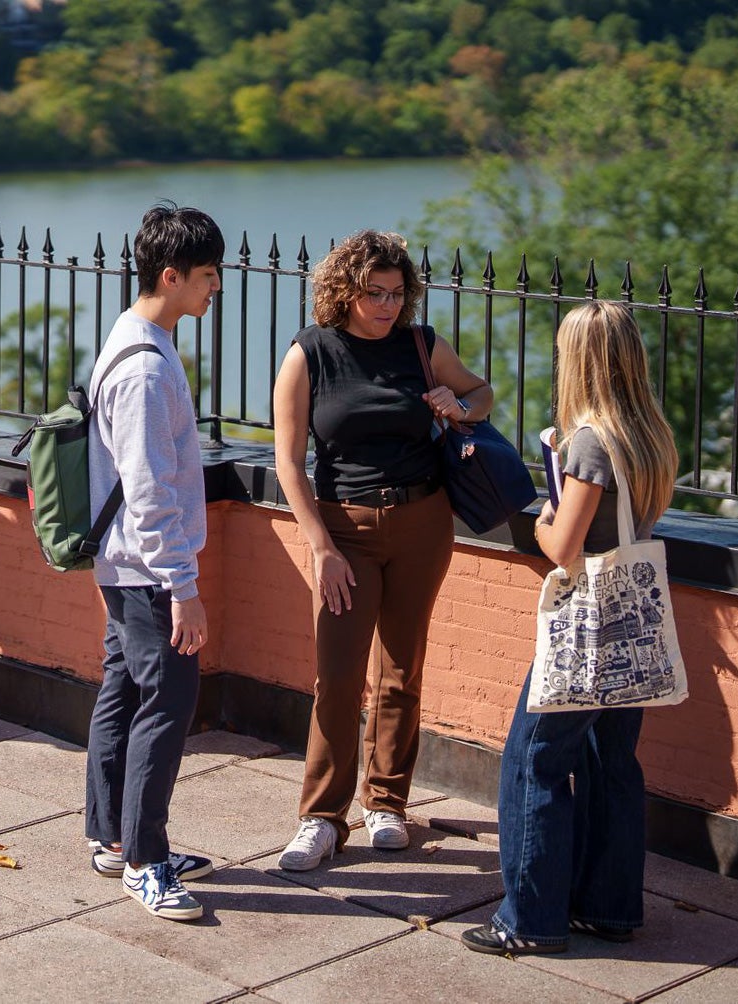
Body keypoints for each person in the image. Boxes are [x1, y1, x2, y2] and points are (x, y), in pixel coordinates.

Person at [462, 300, 679, 956]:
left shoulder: (590, 439)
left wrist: (544, 512)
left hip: (587, 622)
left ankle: (527, 920)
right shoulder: (650, 434)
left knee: (533, 761)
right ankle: (609, 908)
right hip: (634, 616)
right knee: (612, 761)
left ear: (578, 360)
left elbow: (561, 545)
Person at [273, 229, 494, 871]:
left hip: (424, 520)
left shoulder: (422, 347)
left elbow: (482, 393)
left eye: (397, 293)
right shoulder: (310, 354)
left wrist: (459, 404)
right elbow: (289, 463)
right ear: (344, 290)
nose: (388, 305)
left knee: (403, 669)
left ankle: (387, 803)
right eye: (374, 293)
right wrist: (320, 547)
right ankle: (321, 817)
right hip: (343, 531)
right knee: (338, 678)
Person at [84, 203, 225, 922]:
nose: (216, 288)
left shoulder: (135, 336)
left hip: (125, 565)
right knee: (164, 705)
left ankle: (112, 838)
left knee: (124, 692)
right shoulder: (144, 369)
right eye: (206, 275)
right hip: (147, 570)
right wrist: (183, 587)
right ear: (169, 276)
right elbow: (148, 489)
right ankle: (145, 858)